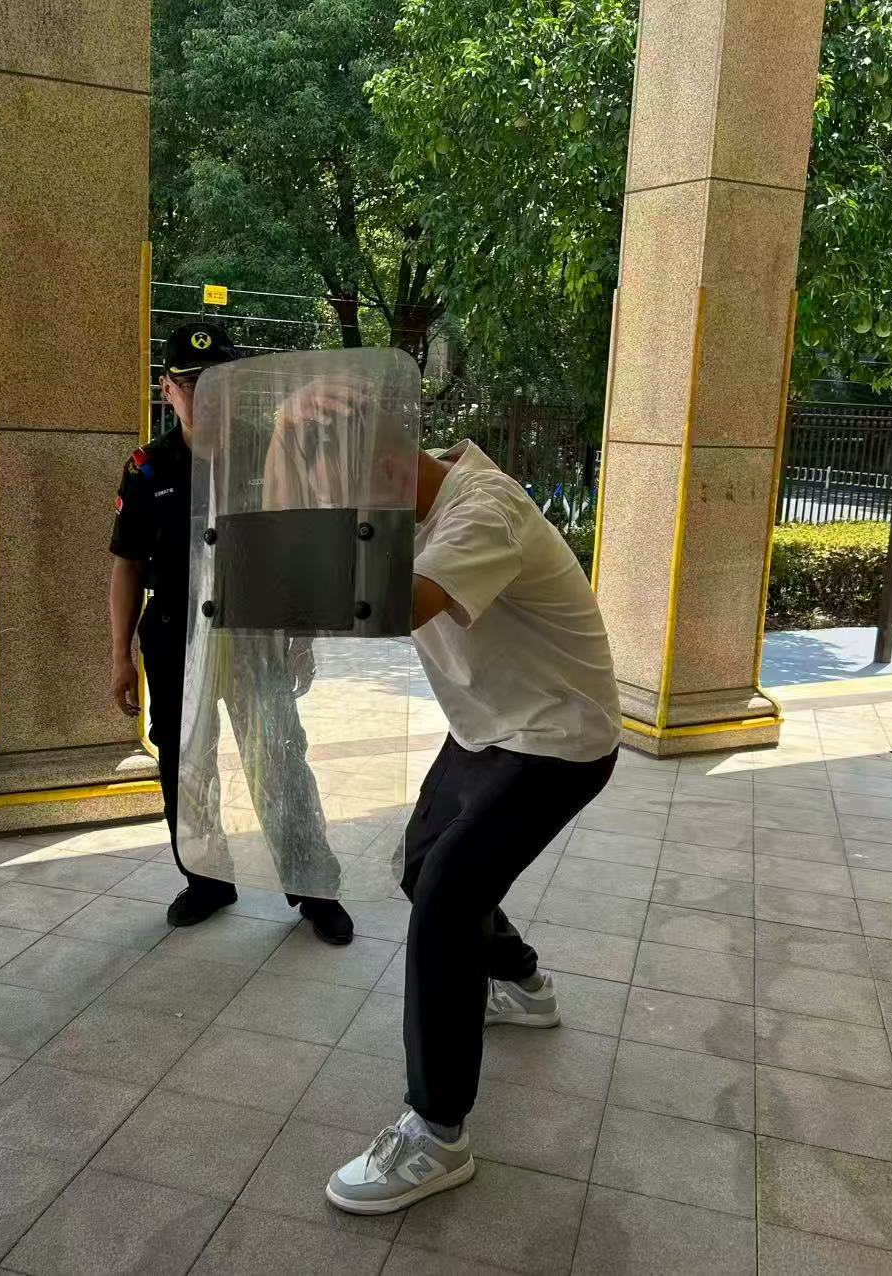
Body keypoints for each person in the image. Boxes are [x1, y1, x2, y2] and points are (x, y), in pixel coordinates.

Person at [325, 433, 622, 1215]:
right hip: (491, 729)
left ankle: (437, 1134)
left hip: (558, 739)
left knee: (447, 899)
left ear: (386, 459)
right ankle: (522, 984)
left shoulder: (483, 512)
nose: (337, 512)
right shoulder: (414, 495)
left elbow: (393, 607)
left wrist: (263, 573)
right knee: (423, 870)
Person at [108, 320, 354, 943]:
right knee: (184, 765)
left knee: (279, 759)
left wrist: (302, 635)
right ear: (168, 388)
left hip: (253, 634)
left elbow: (296, 546)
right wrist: (119, 656)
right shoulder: (148, 469)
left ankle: (314, 885)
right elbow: (127, 565)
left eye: (219, 380)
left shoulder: (267, 449)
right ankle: (206, 880)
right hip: (174, 636)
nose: (206, 393)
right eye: (192, 382)